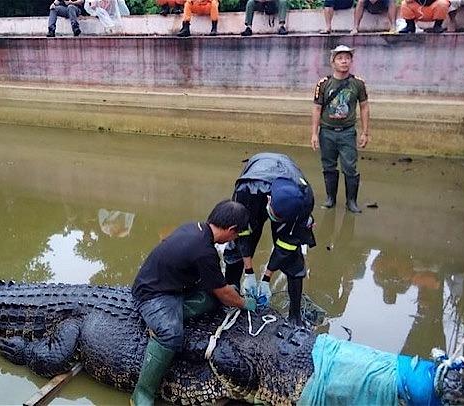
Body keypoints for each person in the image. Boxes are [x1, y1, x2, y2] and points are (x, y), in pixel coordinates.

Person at [130, 200, 256, 405]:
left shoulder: (194, 227)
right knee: (171, 335)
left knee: (215, 299)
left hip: (174, 286)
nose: (235, 238)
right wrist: (244, 303)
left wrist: (228, 293)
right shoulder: (205, 252)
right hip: (151, 294)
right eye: (237, 234)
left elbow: (218, 287)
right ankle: (142, 393)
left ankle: (169, 315)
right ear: (232, 230)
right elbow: (225, 294)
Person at [223, 153, 316, 327]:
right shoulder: (245, 190)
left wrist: (266, 278)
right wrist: (249, 272)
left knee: (292, 256)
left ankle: (295, 316)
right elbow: (243, 232)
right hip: (255, 184)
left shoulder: (304, 200)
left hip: (290, 184)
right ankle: (230, 296)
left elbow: (287, 243)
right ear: (269, 199)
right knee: (237, 242)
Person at [311, 45, 369, 214]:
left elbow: (364, 107)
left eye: (347, 58)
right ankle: (331, 199)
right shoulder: (323, 84)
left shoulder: (357, 83)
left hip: (347, 132)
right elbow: (316, 108)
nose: (344, 61)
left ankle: (351, 201)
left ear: (351, 61)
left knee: (350, 167)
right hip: (327, 132)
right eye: (340, 58)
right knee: (328, 166)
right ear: (333, 62)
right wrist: (314, 133)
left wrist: (365, 132)